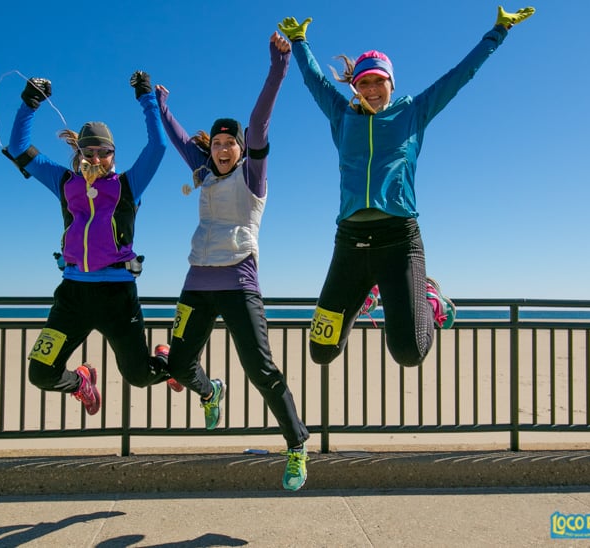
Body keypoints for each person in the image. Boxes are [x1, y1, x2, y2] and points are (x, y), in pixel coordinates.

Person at [278, 6, 535, 368]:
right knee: (322, 349)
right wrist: (300, 42)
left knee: (409, 353)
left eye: (378, 81)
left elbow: (461, 75)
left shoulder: (413, 112)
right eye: (363, 82)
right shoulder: (342, 116)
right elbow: (314, 80)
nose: (371, 88)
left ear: (391, 83)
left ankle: (431, 299)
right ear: (355, 87)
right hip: (350, 242)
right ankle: (366, 291)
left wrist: (497, 33)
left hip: (398, 240)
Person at [154, 32, 311, 491]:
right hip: (196, 284)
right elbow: (180, 137)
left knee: (262, 371)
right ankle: (211, 391)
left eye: (231, 143)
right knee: (179, 366)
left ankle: (297, 446)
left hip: (240, 283)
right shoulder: (202, 174)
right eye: (218, 142)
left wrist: (278, 67)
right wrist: (159, 102)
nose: (223, 148)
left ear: (242, 149)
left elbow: (259, 122)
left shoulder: (253, 177)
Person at [2, 71, 182, 416]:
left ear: (113, 154)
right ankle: (82, 382)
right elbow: (18, 148)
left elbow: (158, 146)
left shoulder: (129, 185)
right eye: (89, 152)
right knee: (40, 373)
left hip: (118, 298)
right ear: (80, 153)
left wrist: (146, 99)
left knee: (140, 377)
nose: (96, 158)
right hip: (73, 296)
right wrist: (30, 101)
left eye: (104, 152)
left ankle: (163, 358)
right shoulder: (64, 181)